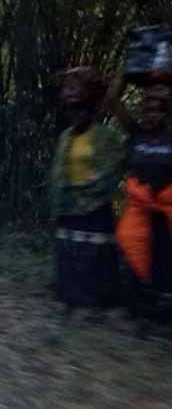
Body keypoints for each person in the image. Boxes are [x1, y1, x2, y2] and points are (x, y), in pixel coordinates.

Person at [47, 67, 124, 314]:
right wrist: (59, 199)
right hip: (69, 203)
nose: (74, 114)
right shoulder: (65, 137)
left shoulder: (104, 136)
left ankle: (94, 302)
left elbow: (115, 166)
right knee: (68, 250)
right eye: (71, 109)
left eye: (79, 109)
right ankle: (68, 297)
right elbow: (58, 173)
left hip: (93, 205)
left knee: (94, 254)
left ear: (90, 107)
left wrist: (92, 190)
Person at [106, 76, 172, 316]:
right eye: (147, 109)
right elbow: (112, 100)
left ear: (165, 113)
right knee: (131, 246)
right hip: (140, 207)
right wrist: (128, 73)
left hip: (166, 206)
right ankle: (139, 305)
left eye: (157, 110)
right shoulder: (136, 133)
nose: (151, 114)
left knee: (165, 253)